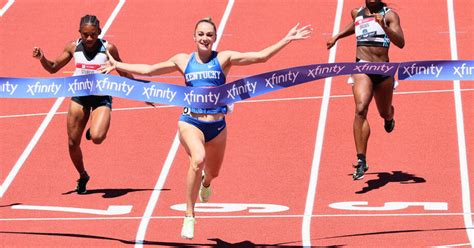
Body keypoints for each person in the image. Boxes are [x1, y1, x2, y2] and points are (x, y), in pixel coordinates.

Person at [100, 17, 312, 239]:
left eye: (209, 35)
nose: (204, 38)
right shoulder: (183, 60)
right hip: (190, 122)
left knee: (213, 172)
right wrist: (117, 65)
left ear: (215, 38)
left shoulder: (224, 58)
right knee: (198, 159)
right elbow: (150, 70)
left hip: (217, 126)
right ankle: (189, 215)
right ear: (194, 37)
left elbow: (260, 57)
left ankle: (206, 182)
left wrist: (287, 39)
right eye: (200, 34)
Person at [32, 15, 133, 194]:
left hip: (101, 97)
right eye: (85, 34)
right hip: (79, 96)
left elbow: (123, 71)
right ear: (79, 33)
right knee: (72, 143)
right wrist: (42, 58)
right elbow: (53, 67)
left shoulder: (108, 48)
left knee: (97, 137)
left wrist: (143, 91)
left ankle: (92, 128)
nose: (88, 39)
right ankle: (83, 175)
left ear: (99, 33)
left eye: (93, 35)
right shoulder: (73, 47)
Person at [326, 0, 404, 180]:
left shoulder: (390, 15)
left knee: (384, 111)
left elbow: (401, 42)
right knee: (360, 109)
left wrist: (383, 26)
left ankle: (390, 117)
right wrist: (337, 36)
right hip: (362, 67)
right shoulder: (356, 12)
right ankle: (361, 159)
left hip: (384, 70)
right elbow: (355, 25)